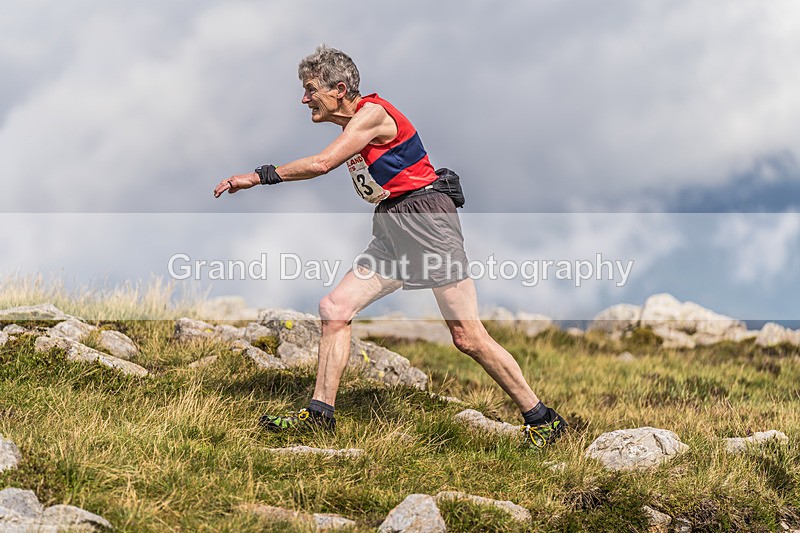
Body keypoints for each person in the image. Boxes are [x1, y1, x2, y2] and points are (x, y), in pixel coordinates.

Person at [213, 45, 566, 447]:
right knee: (335, 309)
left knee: (467, 336)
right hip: (393, 224)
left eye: (311, 90)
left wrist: (258, 176)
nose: (304, 99)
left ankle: (543, 420)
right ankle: (319, 415)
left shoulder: (372, 115)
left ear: (340, 88)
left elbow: (320, 164)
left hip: (427, 219)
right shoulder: (355, 127)